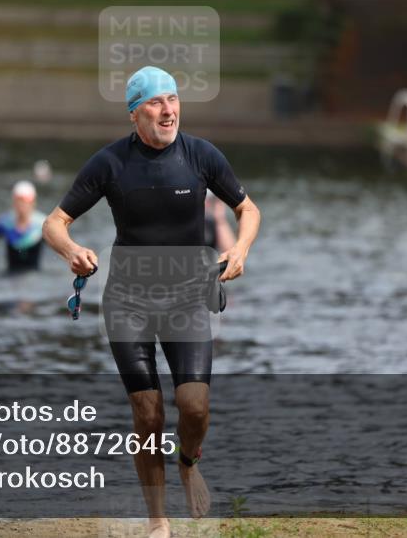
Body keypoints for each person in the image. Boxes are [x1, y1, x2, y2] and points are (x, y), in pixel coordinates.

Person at [43, 65, 261, 537]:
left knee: (194, 406)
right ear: (134, 113)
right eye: (156, 102)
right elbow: (54, 223)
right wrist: (72, 250)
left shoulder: (201, 155)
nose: (168, 110)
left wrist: (241, 248)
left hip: (188, 299)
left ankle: (188, 461)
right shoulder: (110, 163)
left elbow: (247, 209)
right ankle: (157, 520)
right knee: (148, 414)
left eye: (173, 99)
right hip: (128, 302)